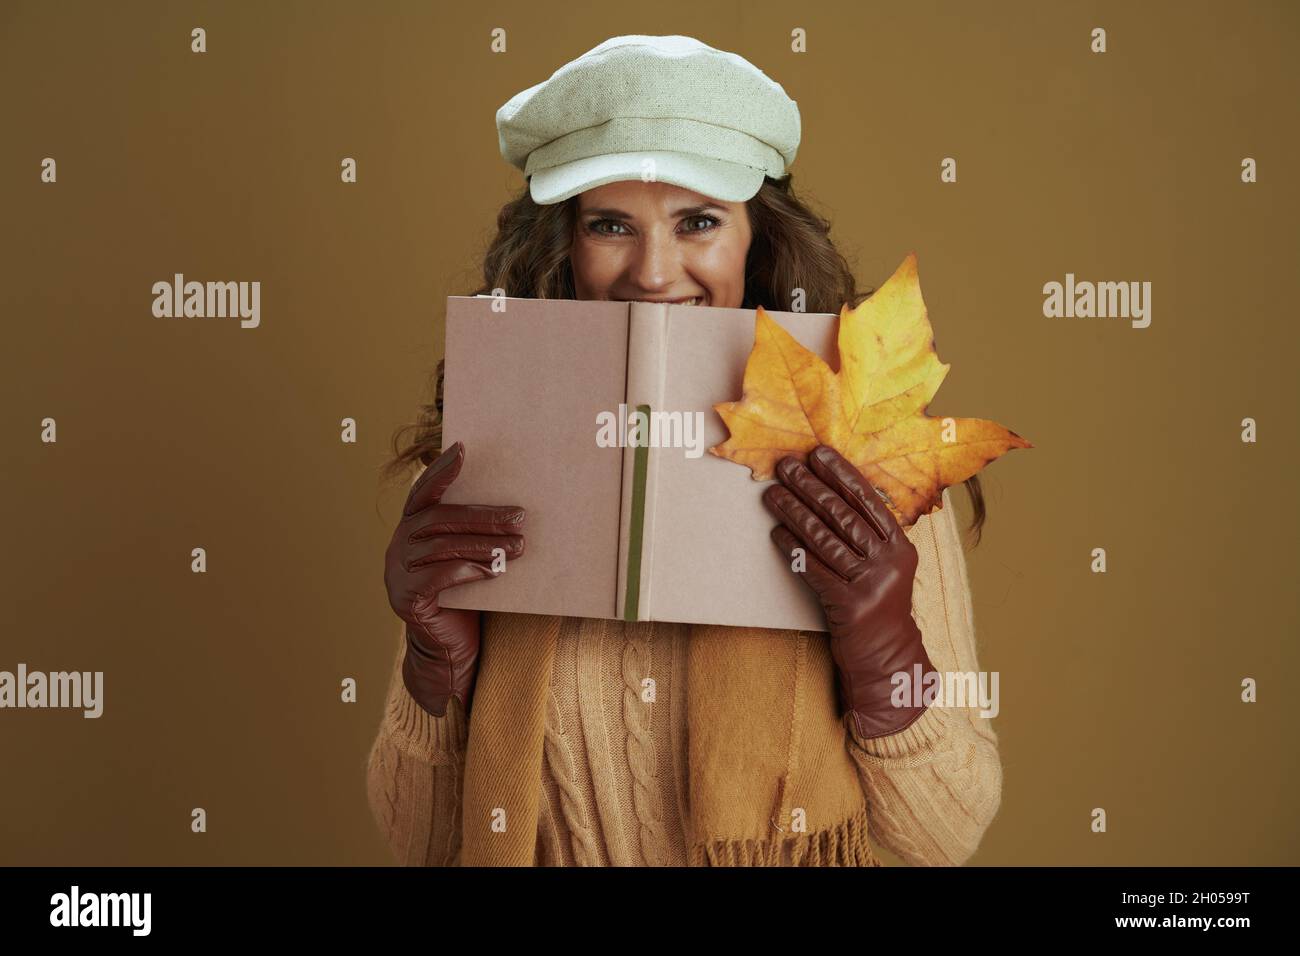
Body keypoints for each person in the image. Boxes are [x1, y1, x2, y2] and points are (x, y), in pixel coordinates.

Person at [366, 35, 1002, 866]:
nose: (654, 273)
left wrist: (885, 658)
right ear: (563, 244)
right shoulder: (480, 452)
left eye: (698, 221)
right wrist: (430, 669)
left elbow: (945, 839)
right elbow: (417, 841)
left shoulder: (867, 455)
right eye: (610, 226)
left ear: (757, 239)